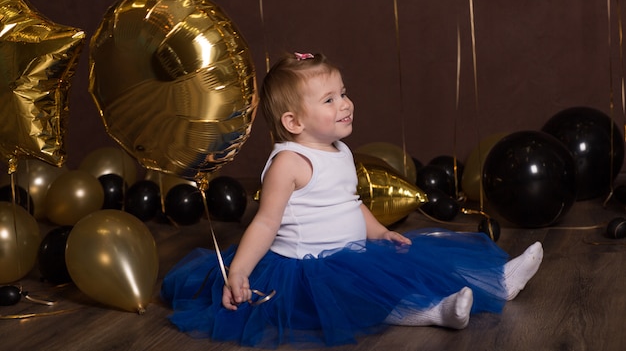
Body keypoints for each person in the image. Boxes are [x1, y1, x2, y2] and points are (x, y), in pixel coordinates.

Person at [161, 52, 543, 348]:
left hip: (353, 252)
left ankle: (496, 282)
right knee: (364, 296)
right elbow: (265, 222)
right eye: (329, 100)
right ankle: (436, 312)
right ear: (294, 122)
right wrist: (240, 270)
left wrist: (377, 231)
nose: (345, 103)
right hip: (305, 272)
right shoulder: (288, 163)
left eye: (343, 93)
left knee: (411, 263)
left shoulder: (339, 150)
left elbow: (350, 202)